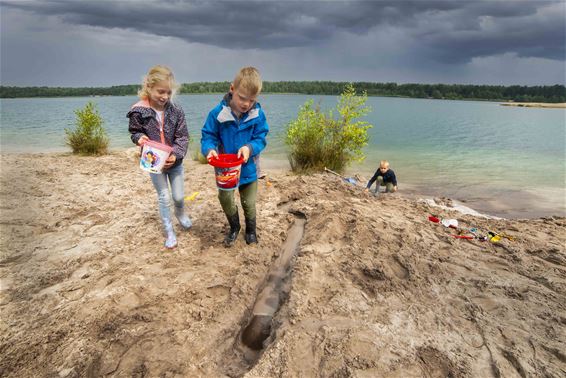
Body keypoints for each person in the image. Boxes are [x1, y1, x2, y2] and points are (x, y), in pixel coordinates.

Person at [201, 67, 269, 247]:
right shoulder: (217, 114)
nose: (246, 104)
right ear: (232, 89)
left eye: (252, 100)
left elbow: (261, 138)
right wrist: (209, 150)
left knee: (249, 202)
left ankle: (251, 230)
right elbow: (208, 137)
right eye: (242, 98)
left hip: (249, 168)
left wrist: (250, 147)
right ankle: (234, 227)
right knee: (225, 198)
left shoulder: (257, 114)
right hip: (225, 170)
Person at [127, 65, 191, 249]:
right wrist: (139, 139)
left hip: (175, 163)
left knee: (178, 197)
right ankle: (169, 231)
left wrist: (177, 154)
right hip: (153, 161)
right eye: (160, 92)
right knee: (164, 196)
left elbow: (183, 136)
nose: (164, 96)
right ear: (149, 87)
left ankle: (180, 213)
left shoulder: (176, 111)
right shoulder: (138, 111)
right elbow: (134, 131)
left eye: (168, 92)